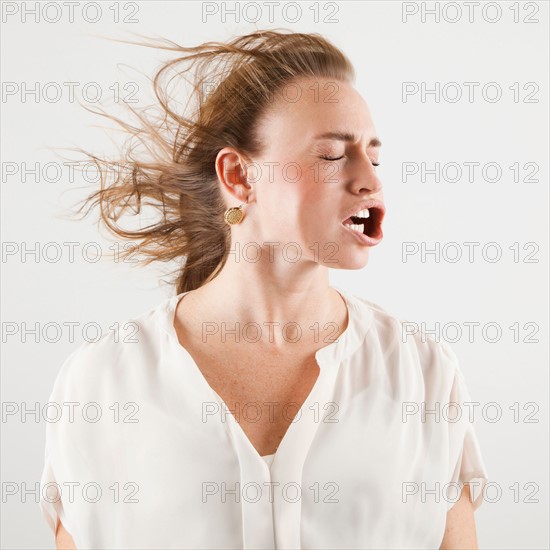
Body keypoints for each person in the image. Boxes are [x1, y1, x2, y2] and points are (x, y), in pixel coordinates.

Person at [39, 30, 489, 549]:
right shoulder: (103, 382)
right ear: (239, 176)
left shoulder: (422, 373)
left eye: (374, 156)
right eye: (331, 155)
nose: (369, 180)